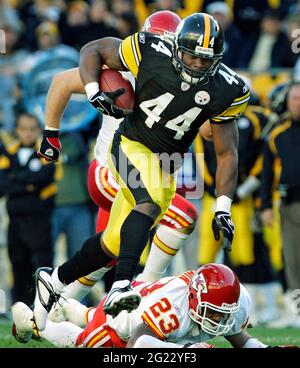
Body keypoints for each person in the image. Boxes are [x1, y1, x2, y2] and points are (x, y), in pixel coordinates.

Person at [33, 12, 249, 330]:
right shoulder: (145, 51)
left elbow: (225, 150)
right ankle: (127, 286)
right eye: (191, 55)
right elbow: (88, 54)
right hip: (125, 149)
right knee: (156, 208)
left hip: (165, 164)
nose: (197, 65)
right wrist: (90, 94)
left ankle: (55, 281)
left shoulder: (226, 88)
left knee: (113, 244)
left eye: (206, 59)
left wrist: (223, 207)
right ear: (172, 45)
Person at [11, 263, 297, 348]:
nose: (217, 321)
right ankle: (31, 323)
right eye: (211, 311)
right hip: (127, 321)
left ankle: (69, 308)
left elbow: (237, 336)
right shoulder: (173, 306)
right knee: (85, 344)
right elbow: (139, 342)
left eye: (221, 314)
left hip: (145, 301)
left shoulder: (232, 304)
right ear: (195, 298)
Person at [0, 112, 56, 306]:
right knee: (18, 263)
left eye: (32, 129)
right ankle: (20, 307)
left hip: (38, 218)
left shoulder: (46, 151)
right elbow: (3, 183)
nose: (28, 133)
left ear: (39, 130)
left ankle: (45, 306)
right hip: (15, 218)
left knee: (42, 263)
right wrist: (28, 183)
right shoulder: (9, 150)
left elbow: (45, 177)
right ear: (17, 130)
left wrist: (17, 179)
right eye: (23, 129)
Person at [260, 81, 300, 327]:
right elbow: (266, 173)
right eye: (295, 98)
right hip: (290, 204)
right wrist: (265, 205)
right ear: (287, 101)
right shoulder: (277, 132)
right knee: (293, 260)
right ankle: (297, 311)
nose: (298, 103)